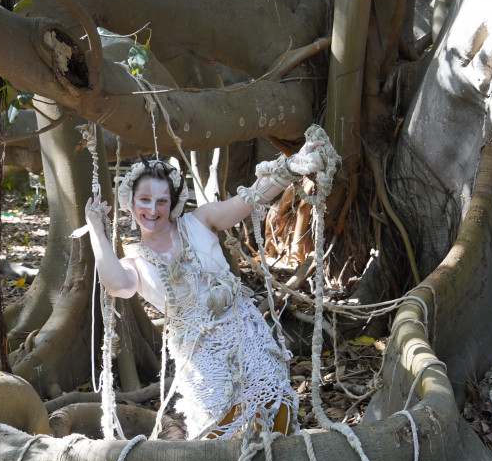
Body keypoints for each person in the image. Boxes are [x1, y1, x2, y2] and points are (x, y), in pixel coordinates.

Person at [84, 141, 326, 440]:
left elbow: (250, 199)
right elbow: (118, 286)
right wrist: (96, 228)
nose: (152, 209)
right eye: (144, 199)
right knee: (217, 429)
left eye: (161, 201)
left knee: (277, 410)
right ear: (130, 202)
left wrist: (291, 165)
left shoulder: (201, 220)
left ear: (172, 203)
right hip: (200, 354)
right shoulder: (135, 260)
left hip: (245, 332)